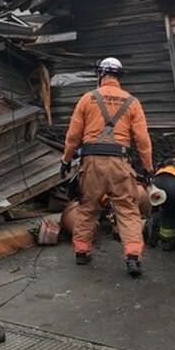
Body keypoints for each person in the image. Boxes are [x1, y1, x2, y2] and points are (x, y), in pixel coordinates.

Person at [61, 57, 153, 277]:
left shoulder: (88, 98)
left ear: (101, 74)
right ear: (119, 76)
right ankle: (133, 257)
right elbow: (143, 140)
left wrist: (66, 159)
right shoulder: (132, 102)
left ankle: (82, 252)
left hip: (92, 162)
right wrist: (148, 169)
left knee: (87, 207)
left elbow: (73, 136)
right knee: (127, 210)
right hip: (120, 162)